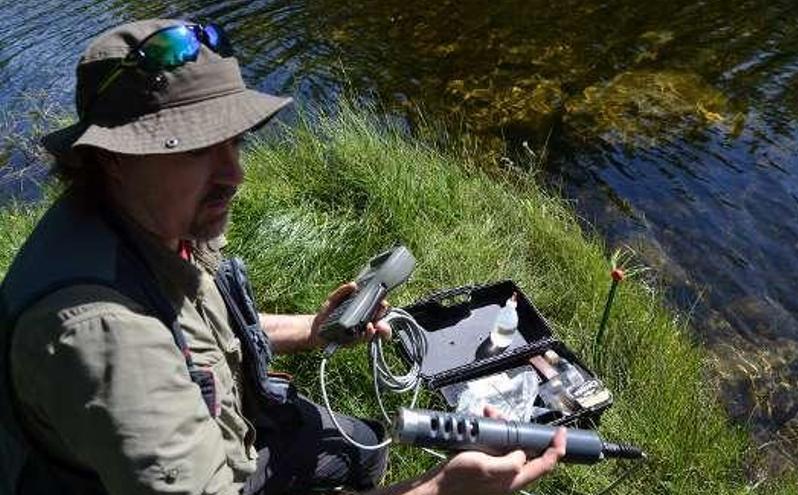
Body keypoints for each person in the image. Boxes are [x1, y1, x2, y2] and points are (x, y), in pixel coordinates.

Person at [0, 19, 566, 495]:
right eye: (195, 149)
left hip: (234, 427)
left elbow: (199, 323)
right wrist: (440, 490)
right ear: (113, 159)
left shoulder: (154, 218)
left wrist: (315, 330)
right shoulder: (106, 342)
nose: (234, 174)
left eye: (234, 140)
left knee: (367, 452)